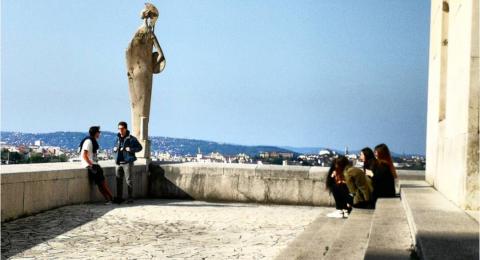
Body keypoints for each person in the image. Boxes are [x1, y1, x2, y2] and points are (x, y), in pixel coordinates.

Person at [80, 126, 113, 204]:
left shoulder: (91, 140)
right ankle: (111, 198)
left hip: (93, 165)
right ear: (96, 133)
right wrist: (91, 165)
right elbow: (85, 155)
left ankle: (109, 199)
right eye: (99, 132)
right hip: (93, 165)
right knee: (102, 184)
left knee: (101, 184)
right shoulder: (89, 141)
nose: (99, 134)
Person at [113, 121, 142, 204]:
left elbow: (140, 147)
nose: (120, 130)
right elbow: (114, 148)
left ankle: (130, 198)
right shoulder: (116, 138)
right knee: (118, 180)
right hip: (118, 162)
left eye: (122, 129)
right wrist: (114, 152)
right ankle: (119, 198)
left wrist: (131, 149)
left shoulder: (131, 138)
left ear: (125, 129)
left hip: (127, 162)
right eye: (119, 129)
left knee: (128, 181)